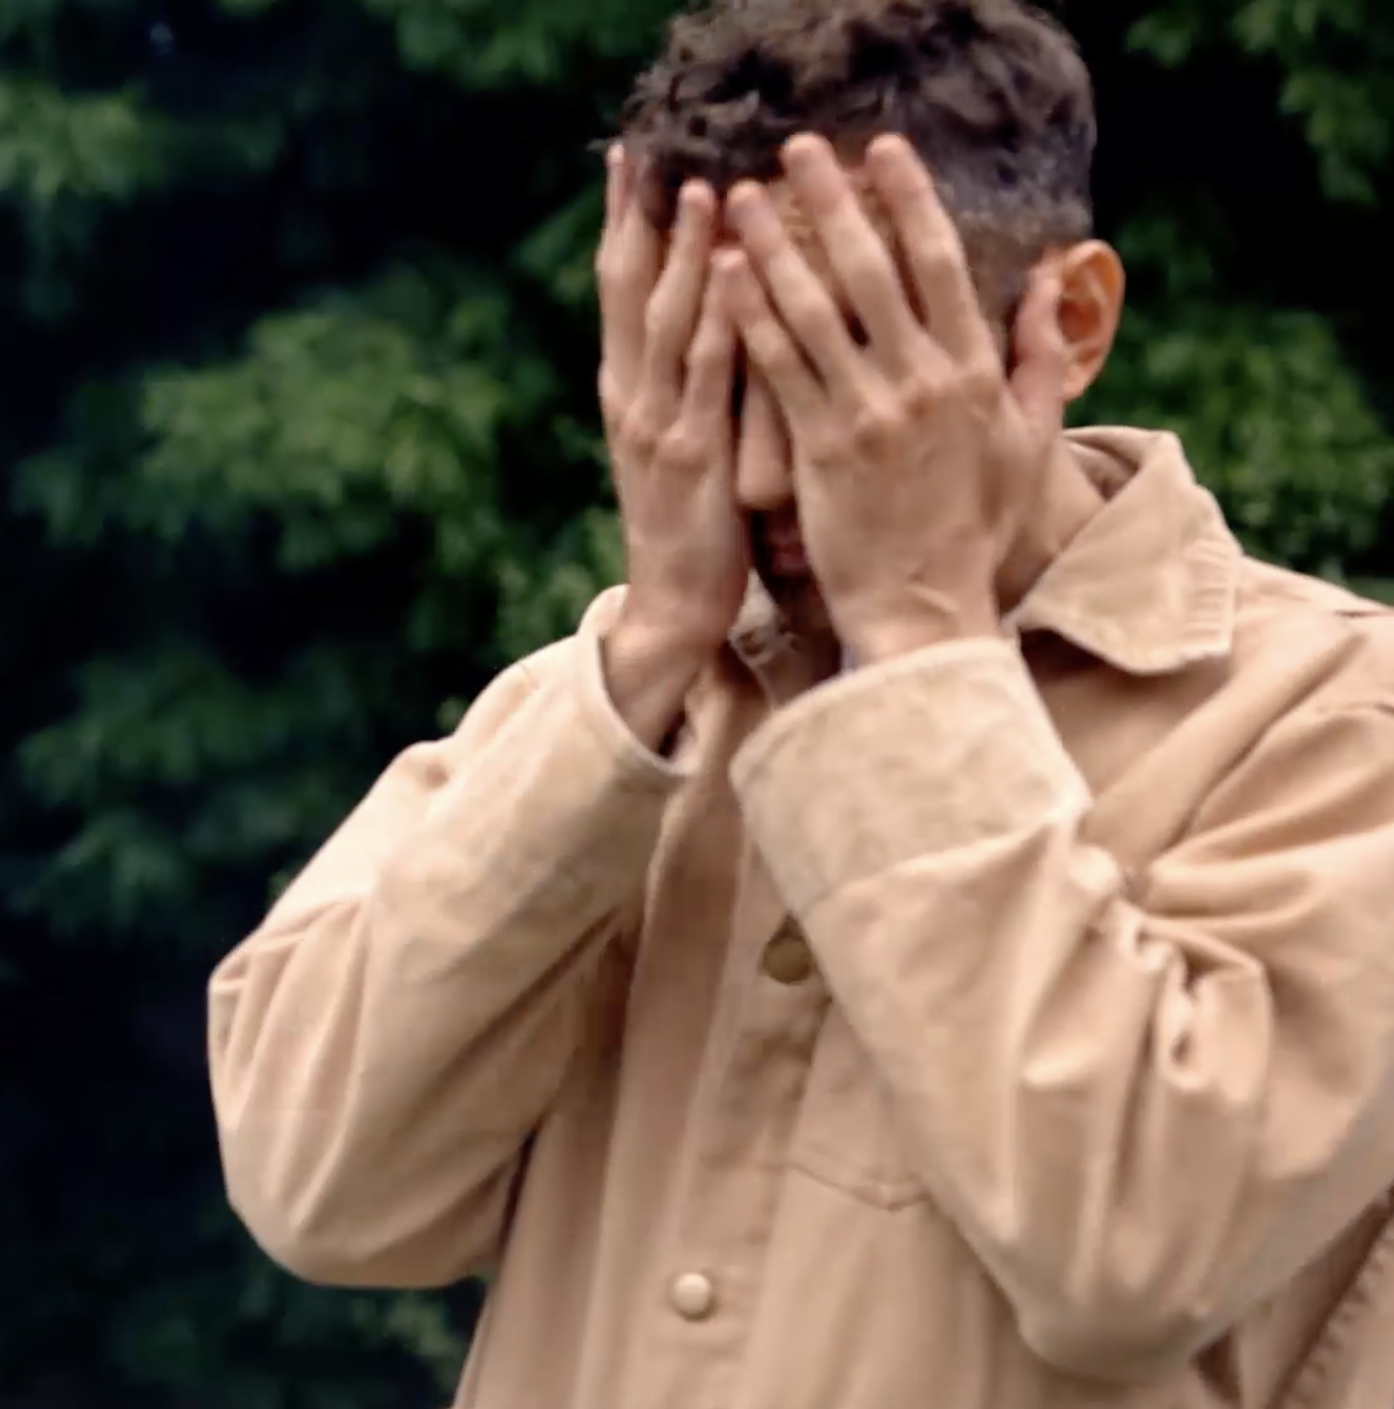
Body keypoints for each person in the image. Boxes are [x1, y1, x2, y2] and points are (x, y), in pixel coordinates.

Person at [204, 1, 1394, 1405]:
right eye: (704, 384)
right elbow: (320, 1190)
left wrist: (918, 641)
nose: (761, 476)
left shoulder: (1337, 721)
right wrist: (651, 648)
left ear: (1068, 325)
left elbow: (1131, 1247)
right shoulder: (618, 702)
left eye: (830, 372)